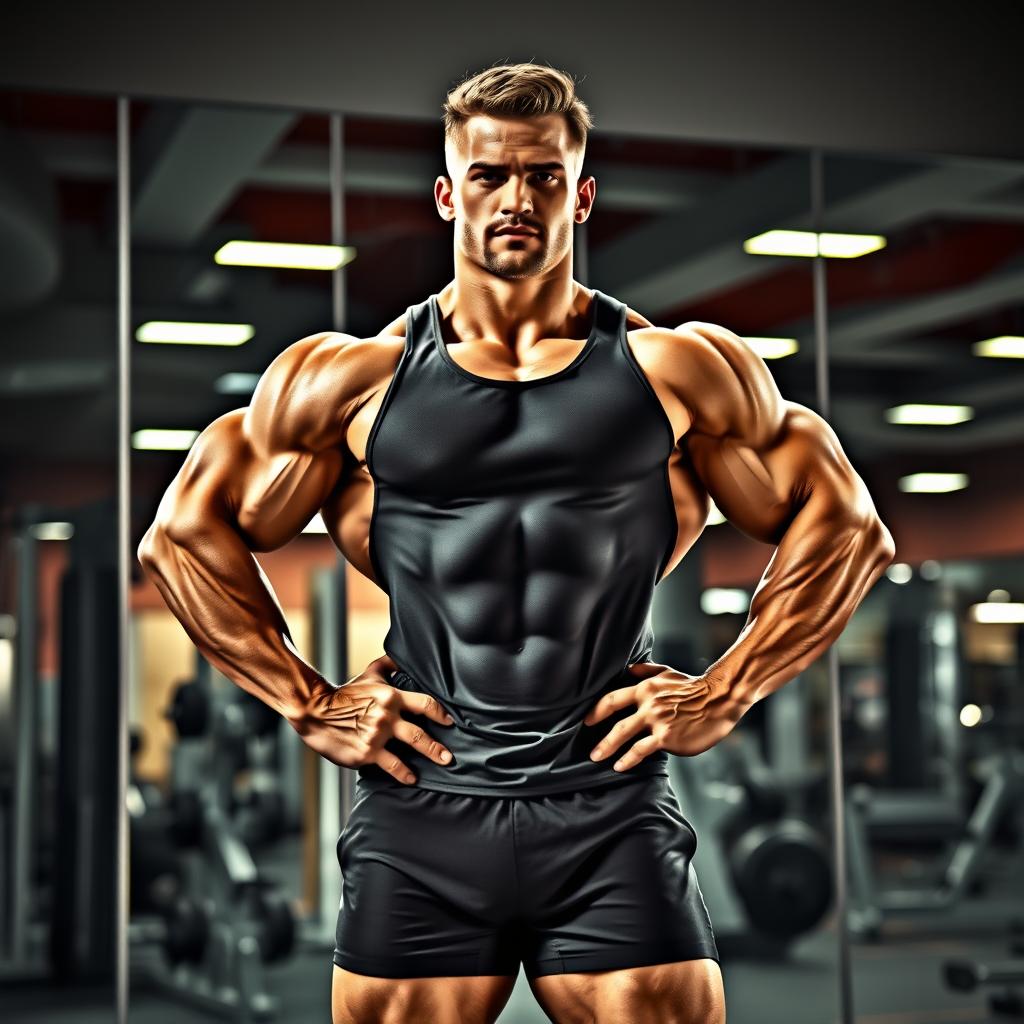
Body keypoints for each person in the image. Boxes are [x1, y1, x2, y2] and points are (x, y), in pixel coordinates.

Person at [138, 61, 896, 1024]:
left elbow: (848, 527)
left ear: (580, 195)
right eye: (490, 175)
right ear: (449, 192)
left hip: (607, 803)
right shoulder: (350, 382)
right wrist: (309, 703)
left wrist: (728, 688)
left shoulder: (678, 372)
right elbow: (181, 537)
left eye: (543, 176)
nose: (516, 199)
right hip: (424, 806)